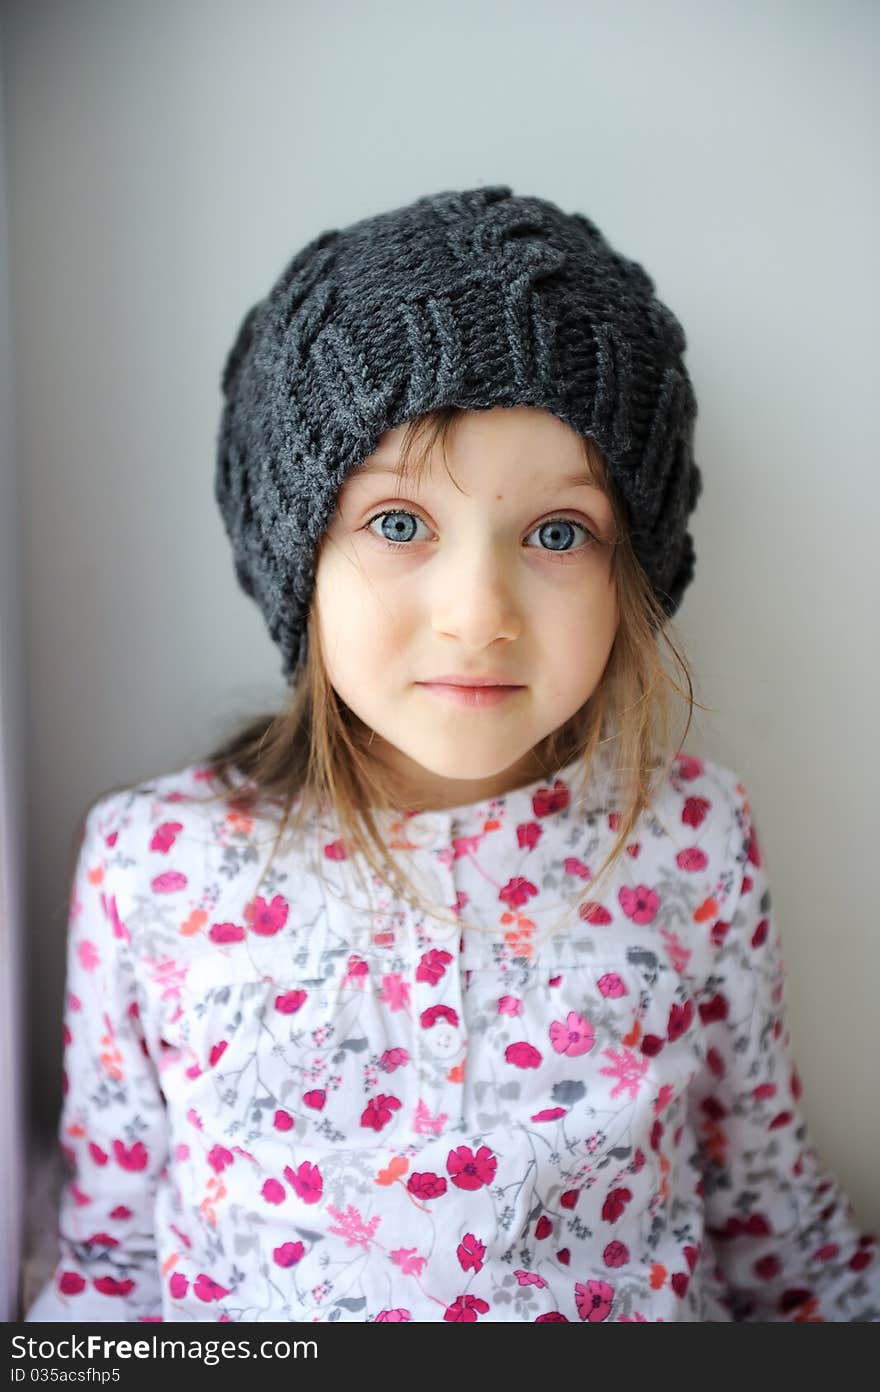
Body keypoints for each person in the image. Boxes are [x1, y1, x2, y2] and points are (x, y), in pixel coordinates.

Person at [26, 186, 878, 1323]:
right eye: (396, 524)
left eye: (557, 533)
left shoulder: (689, 840)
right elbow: (111, 1262)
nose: (478, 613)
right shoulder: (154, 867)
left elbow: (776, 1235)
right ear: (299, 553)